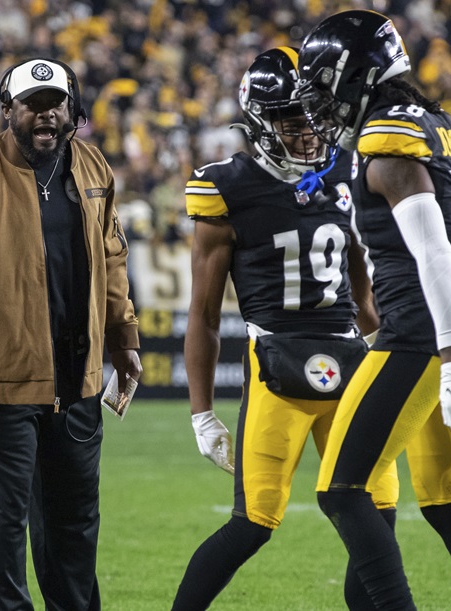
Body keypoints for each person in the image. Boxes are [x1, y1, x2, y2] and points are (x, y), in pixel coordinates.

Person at [171, 46, 400, 611]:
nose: (309, 132)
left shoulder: (347, 170)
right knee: (253, 524)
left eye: (314, 116)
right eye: (293, 121)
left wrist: (395, 365)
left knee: (378, 525)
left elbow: (361, 297)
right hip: (275, 364)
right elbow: (202, 312)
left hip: (351, 361)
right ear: (261, 123)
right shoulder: (227, 185)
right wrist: (202, 413)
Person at [296, 10, 451, 609]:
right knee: (448, 502)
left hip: (423, 332)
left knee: (341, 489)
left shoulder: (385, 141)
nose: (319, 103)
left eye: (322, 85)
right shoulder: (436, 124)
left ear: (356, 74)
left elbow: (437, 253)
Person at [0, 57, 142, 610]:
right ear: (8, 111)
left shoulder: (93, 167)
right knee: (0, 531)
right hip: (0, 386)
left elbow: (112, 258)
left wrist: (124, 337)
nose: (45, 116)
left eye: (55, 104)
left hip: (80, 378)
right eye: (32, 106)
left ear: (73, 110)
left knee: (75, 530)